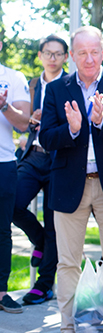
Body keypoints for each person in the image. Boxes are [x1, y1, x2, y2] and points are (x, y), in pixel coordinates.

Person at [39, 26, 103, 332]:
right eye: (81, 52)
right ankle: (68, 327)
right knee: (67, 262)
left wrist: (102, 120)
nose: (89, 58)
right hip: (71, 184)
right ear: (71, 55)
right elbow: (45, 137)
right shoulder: (56, 89)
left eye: (94, 51)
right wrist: (71, 129)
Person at [12, 34, 68, 305]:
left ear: (66, 57)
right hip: (34, 156)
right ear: (40, 55)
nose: (53, 58)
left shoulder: (72, 83)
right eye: (48, 53)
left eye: (58, 53)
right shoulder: (32, 85)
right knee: (12, 203)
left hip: (60, 160)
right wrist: (30, 120)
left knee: (54, 223)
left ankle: (44, 285)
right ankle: (41, 242)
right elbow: (20, 120)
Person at [0, 40, 31, 314]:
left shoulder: (13, 77)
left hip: (3, 164)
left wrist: (3, 106)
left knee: (1, 230)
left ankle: (0, 293)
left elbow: (24, 123)